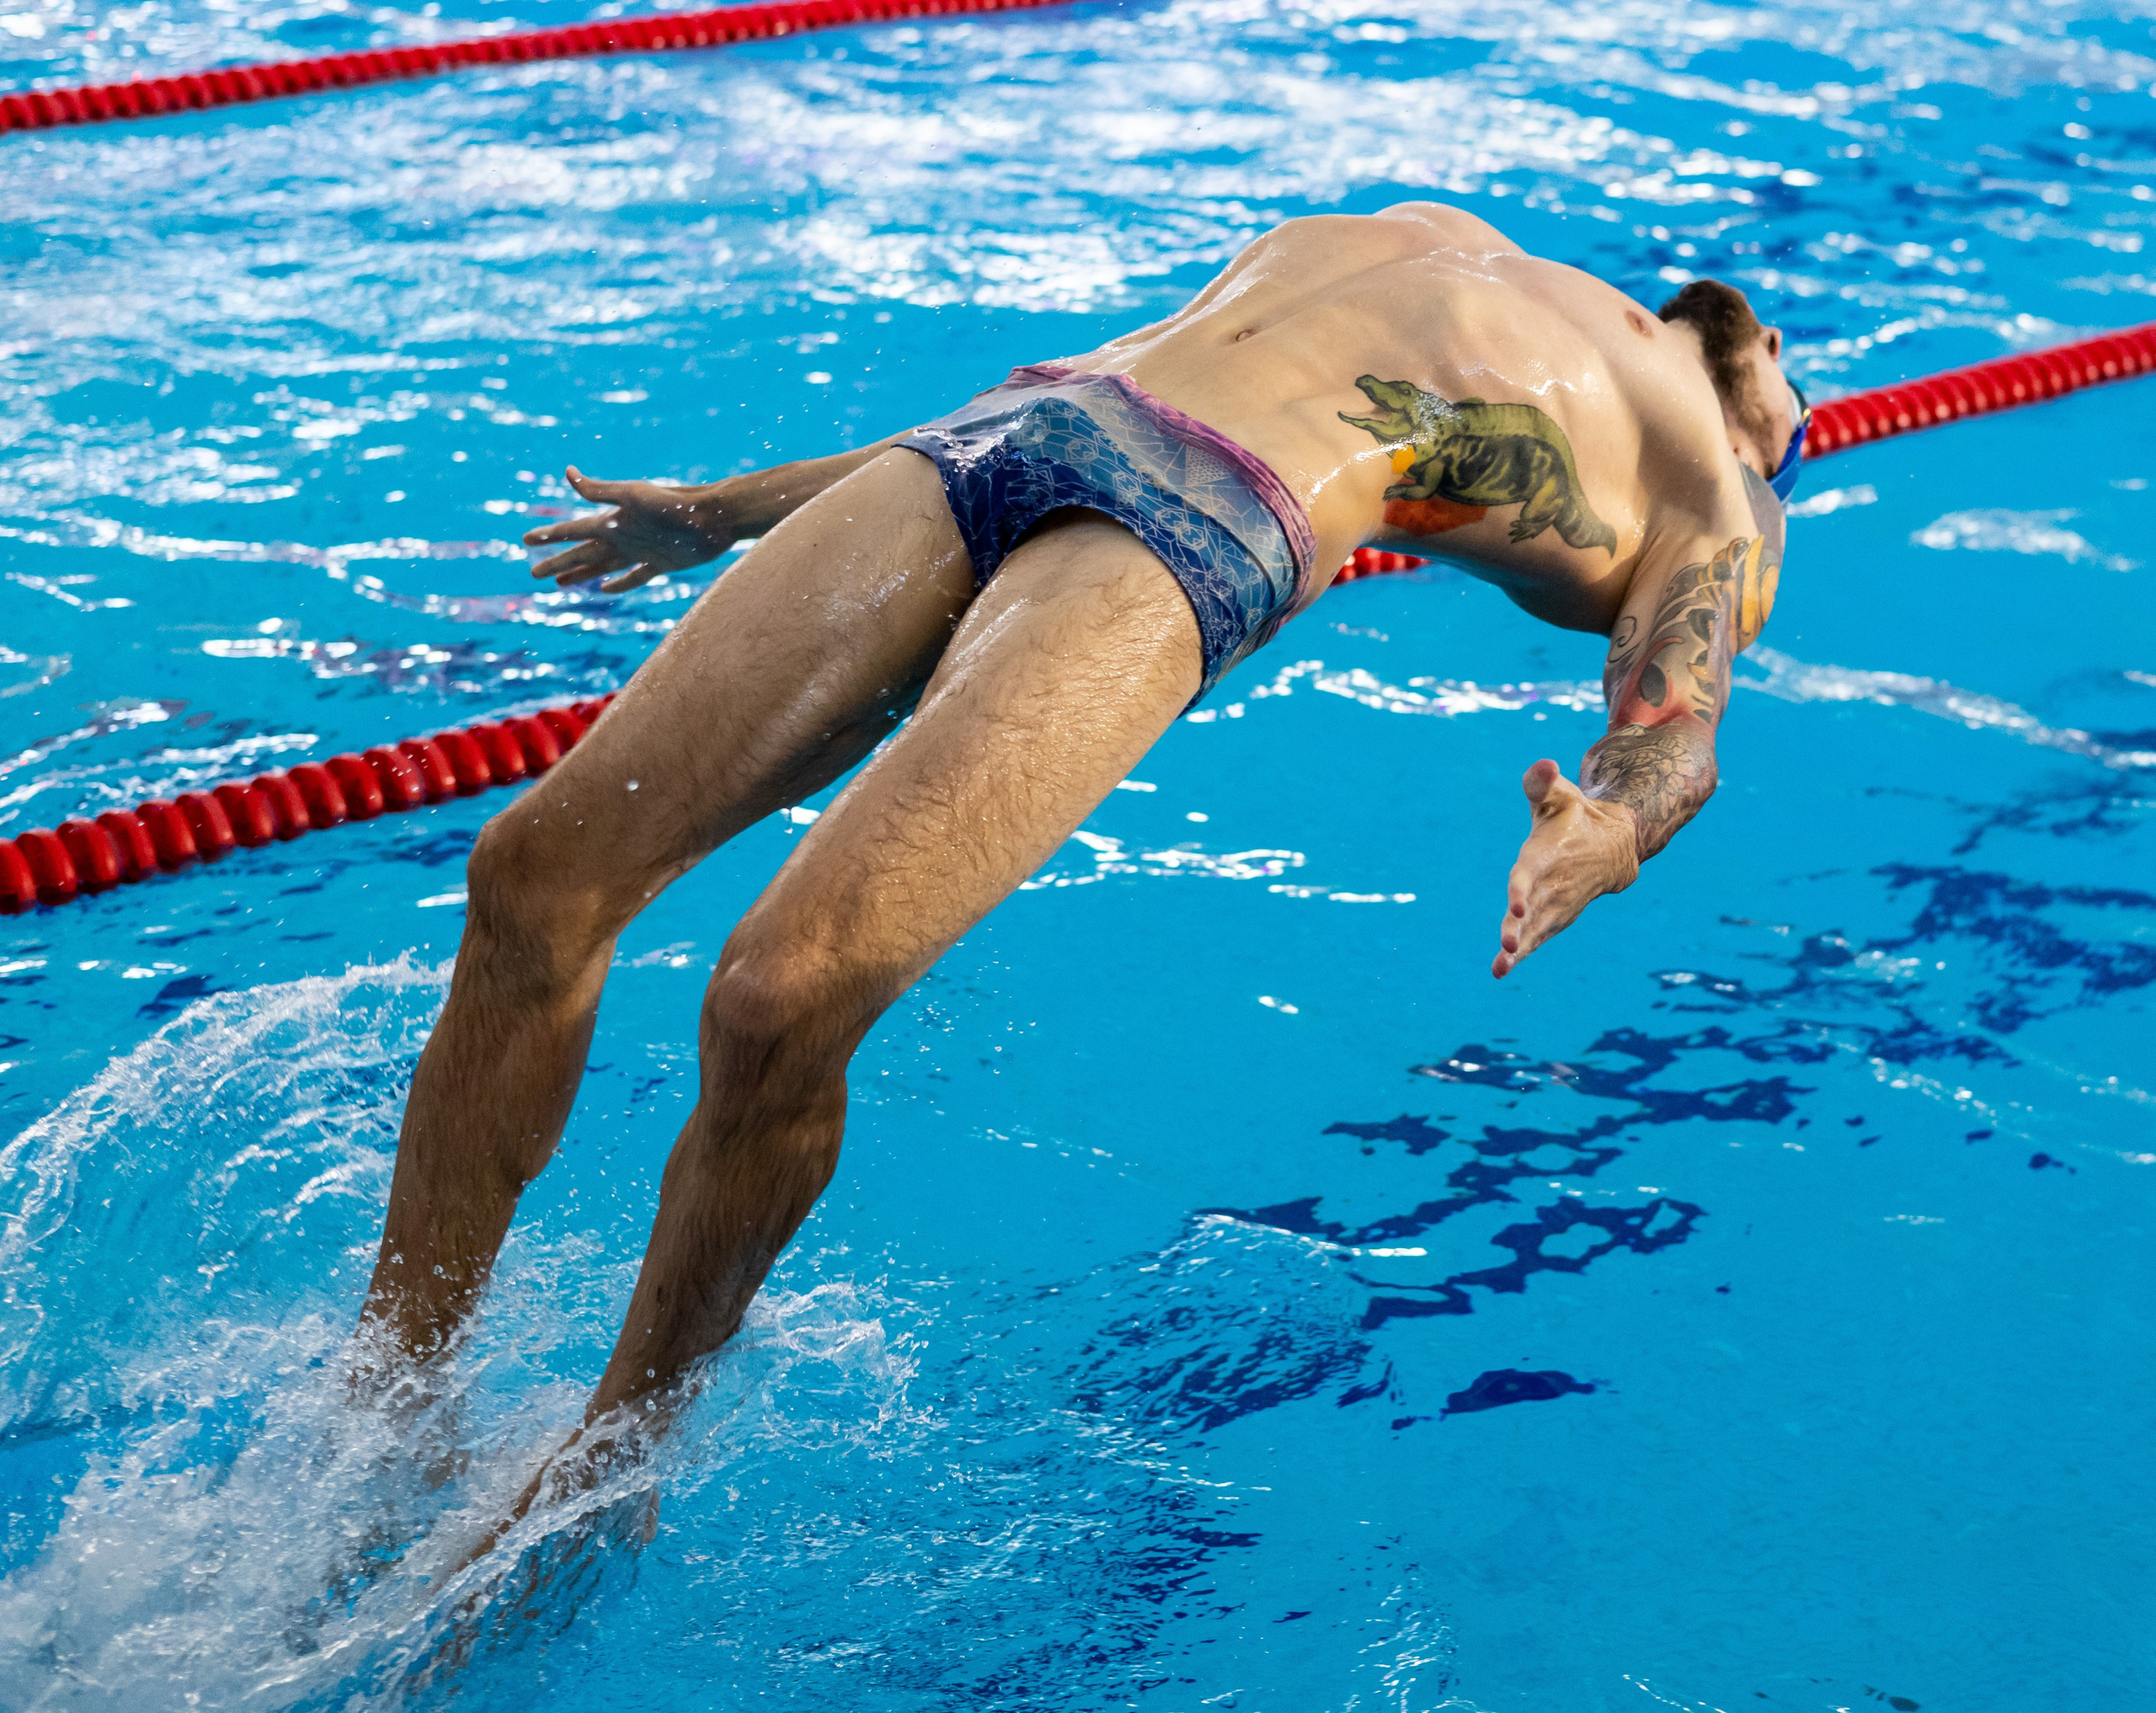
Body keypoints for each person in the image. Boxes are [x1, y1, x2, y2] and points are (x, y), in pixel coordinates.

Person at [359, 201, 1796, 1487]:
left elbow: (1679, 722)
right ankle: (387, 1402)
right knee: (532, 882)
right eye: (1803, 400)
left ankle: (603, 1474)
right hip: (1004, 436)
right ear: (1762, 353)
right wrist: (732, 507)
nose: (1798, 437)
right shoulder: (1493, 276)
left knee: (776, 1000)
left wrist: (1608, 824)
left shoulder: (1707, 478)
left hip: (1209, 505)